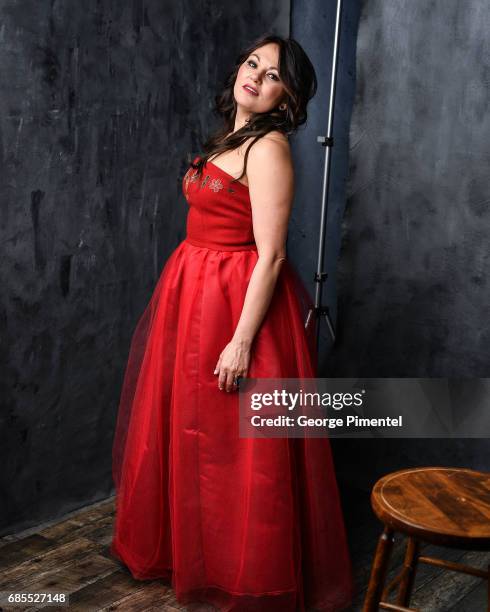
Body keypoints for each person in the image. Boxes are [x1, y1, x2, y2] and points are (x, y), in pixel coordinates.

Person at [110, 33, 354, 612]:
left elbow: (270, 255)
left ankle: (240, 570)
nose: (256, 77)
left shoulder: (267, 149)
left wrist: (241, 342)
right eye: (253, 64)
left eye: (273, 75)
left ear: (288, 99)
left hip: (233, 302)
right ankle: (190, 551)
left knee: (233, 450)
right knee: (191, 431)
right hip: (190, 290)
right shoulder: (230, 137)